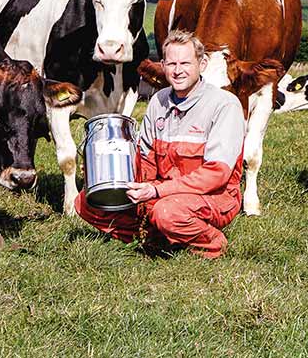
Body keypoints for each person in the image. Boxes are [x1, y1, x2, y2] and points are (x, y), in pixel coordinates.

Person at [75, 30, 246, 259]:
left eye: (185, 63)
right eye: (171, 63)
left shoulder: (224, 105)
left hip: (213, 196)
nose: (177, 71)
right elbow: (145, 159)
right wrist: (104, 167)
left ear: (202, 63)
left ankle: (211, 244)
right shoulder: (159, 101)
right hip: (162, 191)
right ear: (163, 65)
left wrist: (156, 191)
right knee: (87, 202)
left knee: (168, 212)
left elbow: (216, 175)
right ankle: (153, 239)